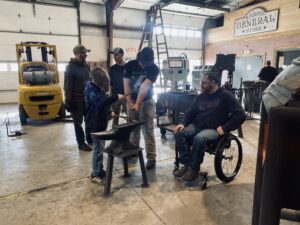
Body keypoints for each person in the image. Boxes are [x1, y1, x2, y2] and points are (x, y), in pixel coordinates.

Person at [173, 72, 246, 181]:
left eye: (204, 83)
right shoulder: (201, 96)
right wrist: (183, 124)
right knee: (179, 133)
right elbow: (191, 112)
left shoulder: (225, 95)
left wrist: (225, 128)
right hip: (198, 126)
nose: (201, 85)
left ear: (213, 82)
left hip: (214, 129)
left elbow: (241, 114)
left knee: (199, 138)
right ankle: (187, 164)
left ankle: (193, 169)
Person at [84, 67, 123, 184]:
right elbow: (100, 102)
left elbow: (103, 103)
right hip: (94, 125)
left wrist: (108, 112)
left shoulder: (97, 89)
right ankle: (96, 174)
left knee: (100, 148)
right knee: (98, 150)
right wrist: (115, 97)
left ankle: (99, 170)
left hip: (100, 123)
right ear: (101, 80)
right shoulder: (91, 89)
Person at [123, 47, 159, 170]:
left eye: (147, 64)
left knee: (148, 129)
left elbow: (145, 86)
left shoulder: (154, 68)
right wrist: (129, 101)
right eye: (142, 63)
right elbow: (126, 84)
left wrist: (137, 103)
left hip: (147, 101)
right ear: (139, 58)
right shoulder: (130, 65)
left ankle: (151, 157)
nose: (144, 66)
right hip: (131, 100)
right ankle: (133, 150)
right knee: (133, 128)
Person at [64, 44, 92, 151]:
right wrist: (68, 101)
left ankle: (89, 138)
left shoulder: (86, 66)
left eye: (85, 53)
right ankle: (81, 143)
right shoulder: (70, 67)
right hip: (76, 100)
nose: (85, 55)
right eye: (83, 53)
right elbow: (67, 86)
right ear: (76, 54)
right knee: (78, 123)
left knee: (89, 120)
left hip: (87, 99)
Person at [109, 47, 127, 126]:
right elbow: (110, 83)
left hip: (126, 95)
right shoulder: (112, 68)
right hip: (115, 96)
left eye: (116, 54)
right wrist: (110, 95)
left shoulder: (128, 67)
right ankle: (114, 133)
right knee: (115, 116)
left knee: (129, 116)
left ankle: (129, 133)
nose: (115, 57)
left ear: (122, 54)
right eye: (114, 55)